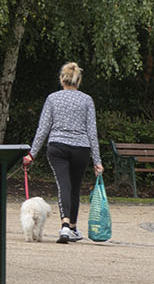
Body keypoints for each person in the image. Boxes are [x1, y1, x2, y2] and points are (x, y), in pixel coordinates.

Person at [24, 62, 103, 243]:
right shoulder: (86, 100)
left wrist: (32, 154)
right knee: (74, 187)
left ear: (62, 79)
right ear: (78, 80)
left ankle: (66, 226)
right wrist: (97, 160)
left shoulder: (53, 98)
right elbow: (92, 131)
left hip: (57, 146)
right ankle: (71, 227)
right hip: (81, 148)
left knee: (63, 185)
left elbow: (43, 128)